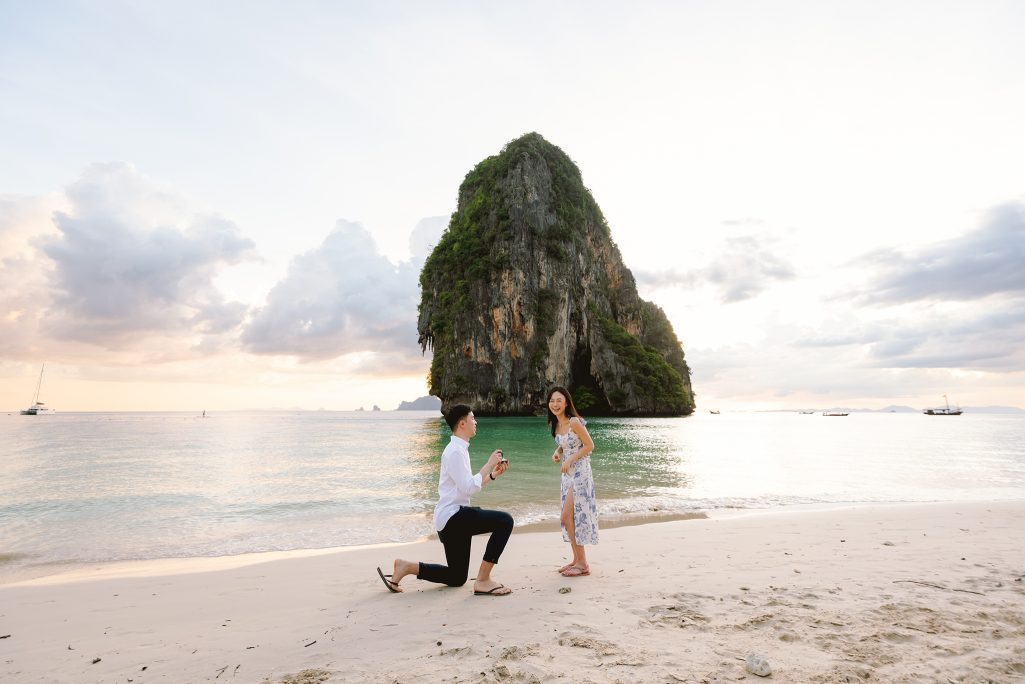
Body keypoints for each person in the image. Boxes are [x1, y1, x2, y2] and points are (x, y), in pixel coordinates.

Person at [377, 404, 513, 596]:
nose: (476, 422)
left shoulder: (458, 449)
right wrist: (488, 464)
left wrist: (492, 476)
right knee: (505, 521)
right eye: (473, 418)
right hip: (454, 517)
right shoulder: (455, 451)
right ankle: (483, 580)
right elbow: (467, 487)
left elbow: (466, 489)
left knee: (457, 577)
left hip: (451, 521)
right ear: (463, 423)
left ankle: (406, 567)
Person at [547, 386, 598, 577]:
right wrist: (558, 452)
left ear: (566, 402)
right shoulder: (557, 425)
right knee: (569, 517)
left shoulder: (574, 422)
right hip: (567, 475)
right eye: (552, 401)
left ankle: (583, 563)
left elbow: (590, 445)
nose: (555, 404)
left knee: (567, 516)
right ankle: (577, 560)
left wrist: (569, 459)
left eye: (559, 400)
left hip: (580, 473)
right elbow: (565, 444)